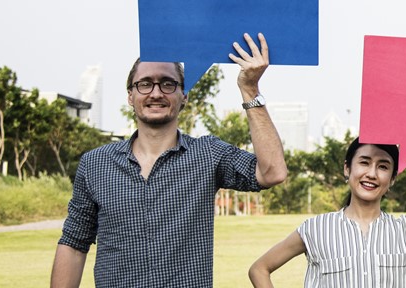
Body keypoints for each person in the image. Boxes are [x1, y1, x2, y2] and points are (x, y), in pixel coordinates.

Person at [50, 33, 288, 287]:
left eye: (167, 84)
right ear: (130, 96)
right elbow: (74, 245)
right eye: (144, 84)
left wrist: (250, 88)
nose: (155, 93)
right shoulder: (95, 164)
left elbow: (272, 172)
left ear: (183, 96)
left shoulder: (208, 154)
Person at [248, 130, 406, 288]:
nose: (371, 173)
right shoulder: (315, 229)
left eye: (383, 166)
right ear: (347, 169)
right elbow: (260, 269)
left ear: (391, 179)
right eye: (364, 162)